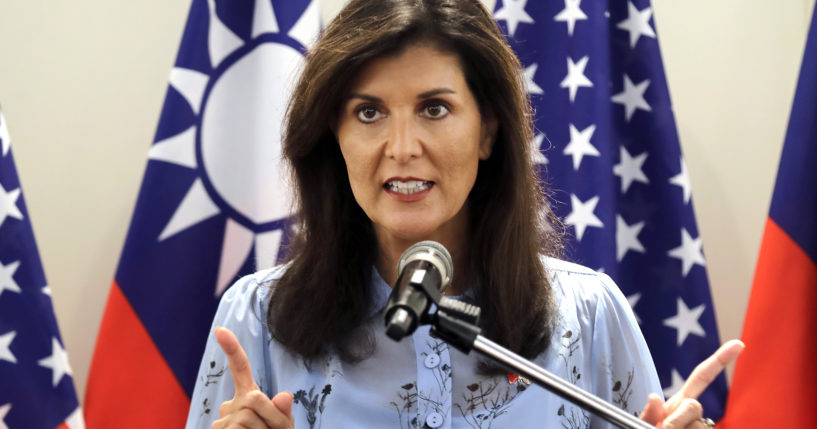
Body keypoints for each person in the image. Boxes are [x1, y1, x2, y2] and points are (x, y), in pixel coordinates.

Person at [185, 0, 743, 428]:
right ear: (334, 136)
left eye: (434, 108)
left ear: (488, 131)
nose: (402, 147)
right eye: (369, 111)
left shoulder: (590, 315)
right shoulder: (258, 319)